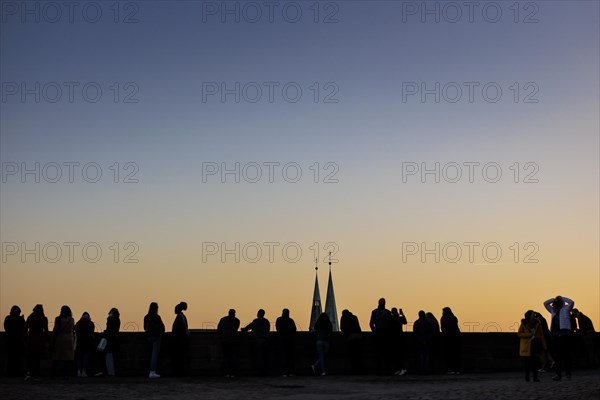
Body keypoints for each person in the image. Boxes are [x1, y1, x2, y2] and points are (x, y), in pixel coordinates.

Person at [543, 295, 574, 381]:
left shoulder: (566, 309)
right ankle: (558, 374)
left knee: (566, 355)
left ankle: (568, 374)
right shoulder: (553, 311)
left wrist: (562, 298)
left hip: (565, 335)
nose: (554, 308)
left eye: (555, 306)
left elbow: (571, 302)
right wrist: (553, 299)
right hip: (555, 335)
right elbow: (545, 304)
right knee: (557, 356)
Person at [517, 310, 546, 382]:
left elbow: (541, 335)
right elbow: (519, 333)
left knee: (535, 362)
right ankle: (527, 377)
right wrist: (529, 335)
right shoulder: (524, 323)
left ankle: (535, 377)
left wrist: (544, 344)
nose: (534, 315)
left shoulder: (537, 323)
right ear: (529, 315)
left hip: (535, 344)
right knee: (527, 363)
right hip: (527, 345)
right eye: (532, 314)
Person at [241, 309, 270, 376]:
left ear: (258, 314)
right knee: (264, 357)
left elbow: (249, 327)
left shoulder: (256, 321)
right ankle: (264, 371)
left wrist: (243, 329)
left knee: (258, 356)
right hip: (265, 341)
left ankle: (259, 371)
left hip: (257, 341)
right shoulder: (266, 321)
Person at [25, 304, 48, 381]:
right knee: (37, 358)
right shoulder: (43, 318)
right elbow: (46, 330)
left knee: (30, 357)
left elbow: (25, 327)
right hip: (39, 339)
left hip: (31, 338)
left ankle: (28, 372)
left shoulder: (30, 317)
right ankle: (35, 373)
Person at [369, 298, 393, 375]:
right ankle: (387, 369)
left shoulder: (374, 312)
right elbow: (390, 324)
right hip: (386, 335)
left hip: (378, 334)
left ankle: (379, 370)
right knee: (386, 354)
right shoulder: (388, 312)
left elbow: (371, 323)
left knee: (378, 354)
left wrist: (374, 331)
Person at [52, 305, 75, 378]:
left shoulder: (58, 319)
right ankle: (67, 374)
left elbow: (56, 329)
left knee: (58, 357)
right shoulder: (71, 319)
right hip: (69, 339)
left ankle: (56, 374)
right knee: (68, 358)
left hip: (60, 339)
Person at [144, 302, 165, 379]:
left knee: (152, 353)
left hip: (149, 337)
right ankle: (152, 371)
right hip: (156, 337)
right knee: (154, 354)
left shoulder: (146, 317)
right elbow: (162, 328)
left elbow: (144, 328)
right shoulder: (157, 317)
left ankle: (151, 371)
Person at [4, 305, 26, 377]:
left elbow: (6, 327)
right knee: (16, 358)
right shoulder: (19, 319)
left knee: (11, 357)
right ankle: (15, 372)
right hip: (17, 340)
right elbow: (23, 329)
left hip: (10, 340)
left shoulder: (8, 318)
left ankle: (9, 372)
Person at [217, 309, 240, 377]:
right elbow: (236, 329)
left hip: (224, 340)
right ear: (234, 313)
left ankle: (225, 373)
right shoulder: (237, 320)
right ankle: (232, 372)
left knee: (225, 357)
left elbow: (219, 329)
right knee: (232, 357)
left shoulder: (223, 319)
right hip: (233, 341)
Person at [340, 309, 363, 374]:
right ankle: (361, 370)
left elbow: (342, 328)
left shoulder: (344, 317)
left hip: (351, 338)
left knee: (352, 355)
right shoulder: (354, 317)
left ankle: (354, 370)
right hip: (358, 336)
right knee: (359, 355)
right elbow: (358, 326)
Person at [275, 308, 297, 377]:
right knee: (290, 357)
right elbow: (294, 330)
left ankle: (283, 372)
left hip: (282, 341)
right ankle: (290, 372)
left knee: (283, 357)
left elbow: (278, 329)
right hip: (290, 341)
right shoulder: (290, 320)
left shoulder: (279, 319)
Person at [440, 307, 461, 374]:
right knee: (456, 354)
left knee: (449, 355)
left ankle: (450, 369)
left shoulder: (444, 318)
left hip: (448, 338)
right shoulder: (454, 317)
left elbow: (443, 328)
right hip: (455, 338)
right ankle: (457, 369)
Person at [171, 302, 189, 376]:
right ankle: (180, 372)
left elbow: (178, 330)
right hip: (182, 339)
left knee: (178, 357)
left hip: (179, 340)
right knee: (180, 357)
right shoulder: (182, 317)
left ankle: (179, 372)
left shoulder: (179, 317)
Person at [74, 312, 95, 377]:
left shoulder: (78, 323)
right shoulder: (91, 324)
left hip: (79, 343)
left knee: (79, 358)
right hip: (87, 343)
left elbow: (75, 330)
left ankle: (78, 371)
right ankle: (84, 371)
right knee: (85, 358)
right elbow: (92, 332)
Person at [103, 308, 120, 377]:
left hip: (109, 339)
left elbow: (108, 328)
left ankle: (110, 372)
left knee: (108, 356)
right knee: (114, 357)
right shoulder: (118, 320)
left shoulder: (110, 319)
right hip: (115, 339)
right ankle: (114, 372)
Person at [390, 307, 407, 376]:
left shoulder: (391, 318)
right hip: (400, 337)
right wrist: (402, 314)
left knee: (396, 355)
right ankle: (401, 369)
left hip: (394, 338)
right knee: (400, 355)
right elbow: (405, 322)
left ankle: (398, 369)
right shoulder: (399, 318)